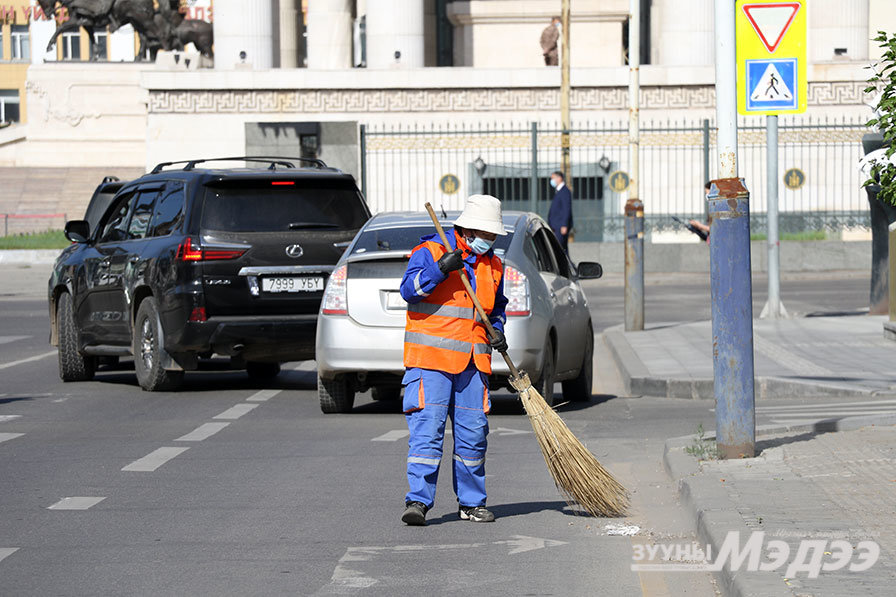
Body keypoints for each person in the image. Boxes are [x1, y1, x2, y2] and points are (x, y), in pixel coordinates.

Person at [399, 195, 509, 526]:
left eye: (492, 236)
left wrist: (499, 331)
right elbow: (409, 290)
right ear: (465, 228)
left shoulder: (494, 265)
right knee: (427, 432)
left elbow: (496, 309)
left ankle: (472, 503)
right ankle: (418, 501)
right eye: (483, 234)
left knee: (473, 434)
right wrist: (440, 269)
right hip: (431, 360)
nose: (487, 241)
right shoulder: (432, 251)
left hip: (474, 363)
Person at [547, 170, 573, 252]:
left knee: (559, 249)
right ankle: (569, 264)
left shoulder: (565, 191)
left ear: (559, 178)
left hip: (560, 226)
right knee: (562, 249)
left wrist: (564, 225)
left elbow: (566, 209)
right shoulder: (559, 191)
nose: (552, 181)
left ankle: (568, 264)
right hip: (556, 225)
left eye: (553, 178)